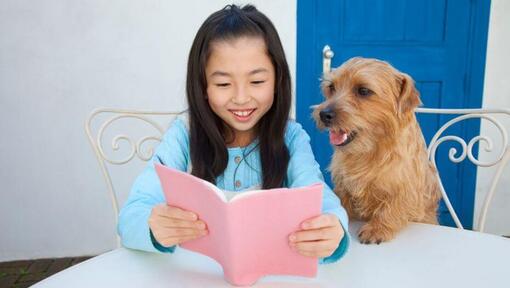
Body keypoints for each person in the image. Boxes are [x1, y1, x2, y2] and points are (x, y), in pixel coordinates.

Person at [118, 4, 349, 264]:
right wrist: (154, 226)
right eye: (223, 84)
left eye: (257, 81)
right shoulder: (184, 134)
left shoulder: (291, 137)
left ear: (277, 80)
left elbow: (322, 201)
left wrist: (334, 229)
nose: (241, 98)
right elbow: (130, 217)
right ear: (203, 86)